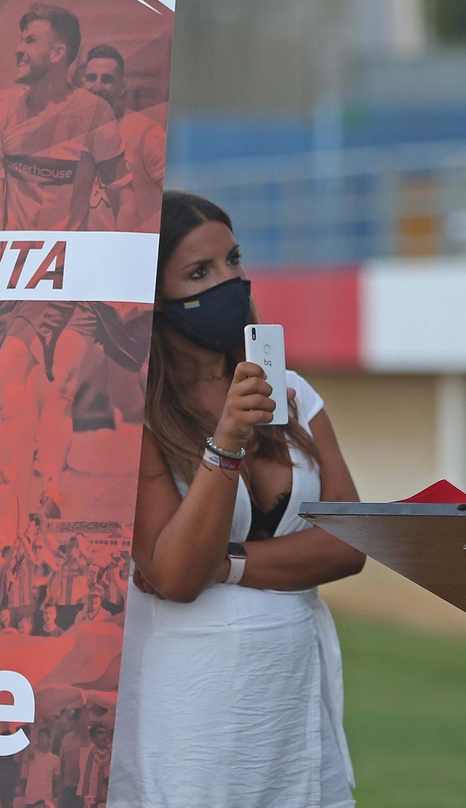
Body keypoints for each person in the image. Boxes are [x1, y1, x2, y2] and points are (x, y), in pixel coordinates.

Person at [108, 191, 366, 807]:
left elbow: (351, 541)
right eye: (199, 272)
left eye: (233, 261)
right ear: (155, 297)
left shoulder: (293, 393)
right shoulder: (131, 412)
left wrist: (228, 563)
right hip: (190, 698)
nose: (229, 281)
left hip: (291, 687)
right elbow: (171, 573)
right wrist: (224, 443)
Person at [0, 3, 130, 524]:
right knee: (17, 377)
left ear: (58, 52)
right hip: (20, 273)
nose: (18, 49)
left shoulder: (93, 115)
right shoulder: (5, 114)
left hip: (76, 268)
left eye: (29, 40)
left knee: (53, 379)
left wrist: (123, 270)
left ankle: (29, 494)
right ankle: (35, 490)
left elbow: (124, 196)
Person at [79, 44, 165, 233]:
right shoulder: (74, 136)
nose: (97, 87)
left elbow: (176, 198)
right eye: (92, 78)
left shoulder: (145, 134)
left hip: (133, 249)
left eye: (107, 79)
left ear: (122, 87)